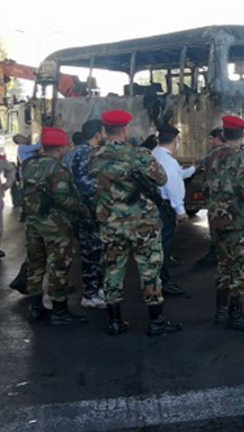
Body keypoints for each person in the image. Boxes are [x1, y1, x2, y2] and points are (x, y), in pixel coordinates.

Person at [89, 109, 181, 337]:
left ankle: (115, 322)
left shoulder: (95, 156)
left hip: (111, 225)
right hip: (143, 225)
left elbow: (95, 178)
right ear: (125, 129)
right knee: (150, 271)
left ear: (104, 130)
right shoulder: (139, 155)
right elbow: (161, 178)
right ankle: (156, 321)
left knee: (112, 270)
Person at [21, 128, 90, 326]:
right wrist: (83, 210)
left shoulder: (29, 165)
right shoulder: (57, 168)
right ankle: (59, 310)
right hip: (55, 225)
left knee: (35, 265)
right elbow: (63, 199)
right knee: (59, 265)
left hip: (32, 222)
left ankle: (35, 308)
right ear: (61, 148)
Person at [203, 115, 244, 332]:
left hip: (216, 220)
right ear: (243, 135)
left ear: (223, 134)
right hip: (237, 221)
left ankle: (220, 311)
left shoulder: (210, 157)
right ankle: (235, 314)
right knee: (242, 267)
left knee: (223, 265)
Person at [65, 119, 107, 309]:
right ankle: (90, 294)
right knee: (93, 252)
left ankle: (95, 289)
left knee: (93, 251)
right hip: (88, 211)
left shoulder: (74, 151)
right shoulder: (86, 154)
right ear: (98, 134)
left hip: (78, 210)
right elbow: (85, 185)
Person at [151, 125, 193, 296]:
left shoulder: (155, 154)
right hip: (165, 206)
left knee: (157, 244)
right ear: (176, 140)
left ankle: (158, 280)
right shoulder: (168, 160)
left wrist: (192, 170)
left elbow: (175, 175)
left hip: (155, 204)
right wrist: (180, 210)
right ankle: (163, 282)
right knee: (164, 246)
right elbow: (171, 184)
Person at [195, 127, 224, 267]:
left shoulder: (211, 156)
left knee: (215, 229)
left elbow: (199, 165)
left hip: (215, 200)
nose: (210, 142)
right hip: (235, 203)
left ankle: (214, 254)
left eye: (211, 139)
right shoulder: (243, 153)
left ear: (218, 139)